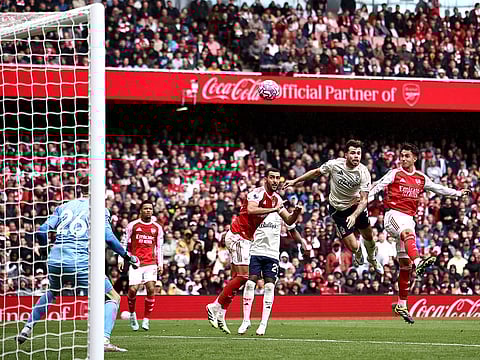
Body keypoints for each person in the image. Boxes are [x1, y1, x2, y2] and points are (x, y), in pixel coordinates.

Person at [16, 177, 139, 352]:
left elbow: (42, 230)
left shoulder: (63, 207)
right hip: (79, 261)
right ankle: (104, 340)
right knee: (113, 297)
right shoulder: (98, 209)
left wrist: (45, 250)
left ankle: (27, 328)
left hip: (55, 258)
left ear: (78, 190)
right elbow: (109, 238)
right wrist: (128, 256)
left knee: (52, 292)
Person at [369, 143, 470, 324]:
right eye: (402, 156)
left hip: (409, 219)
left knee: (405, 265)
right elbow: (377, 187)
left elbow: (439, 188)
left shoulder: (420, 178)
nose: (403, 159)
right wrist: (364, 199)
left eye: (407, 156)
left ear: (415, 158)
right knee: (408, 235)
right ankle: (419, 262)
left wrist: (457, 193)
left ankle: (402, 303)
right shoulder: (394, 174)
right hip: (393, 215)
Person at [206, 168, 301, 334]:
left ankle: (221, 313)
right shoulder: (257, 193)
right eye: (271, 177)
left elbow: (288, 219)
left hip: (246, 239)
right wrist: (273, 210)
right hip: (238, 235)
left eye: (277, 178)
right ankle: (214, 306)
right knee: (244, 276)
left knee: (237, 278)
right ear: (265, 179)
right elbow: (251, 210)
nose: (275, 181)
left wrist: (297, 213)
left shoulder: (277, 199)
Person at [283, 139, 382, 273]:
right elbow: (316, 172)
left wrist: (354, 215)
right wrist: (295, 181)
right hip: (338, 210)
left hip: (356, 207)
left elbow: (364, 200)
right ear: (346, 154)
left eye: (358, 153)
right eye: (353, 153)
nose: (356, 156)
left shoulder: (363, 172)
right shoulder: (334, 165)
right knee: (353, 247)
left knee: (369, 237)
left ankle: (372, 259)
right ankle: (358, 252)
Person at [238, 211, 302, 336]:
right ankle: (246, 320)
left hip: (272, 255)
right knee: (250, 284)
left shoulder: (280, 211)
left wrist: (302, 242)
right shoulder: (256, 209)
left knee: (270, 286)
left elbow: (291, 227)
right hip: (255, 252)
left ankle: (263, 323)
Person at [119, 200, 164, 331]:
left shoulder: (157, 228)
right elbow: (123, 243)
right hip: (136, 263)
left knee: (151, 288)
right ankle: (132, 314)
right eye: (145, 208)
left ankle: (146, 319)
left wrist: (160, 263)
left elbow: (160, 247)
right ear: (141, 211)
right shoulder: (132, 225)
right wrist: (121, 259)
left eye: (150, 208)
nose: (148, 211)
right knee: (133, 290)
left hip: (151, 263)